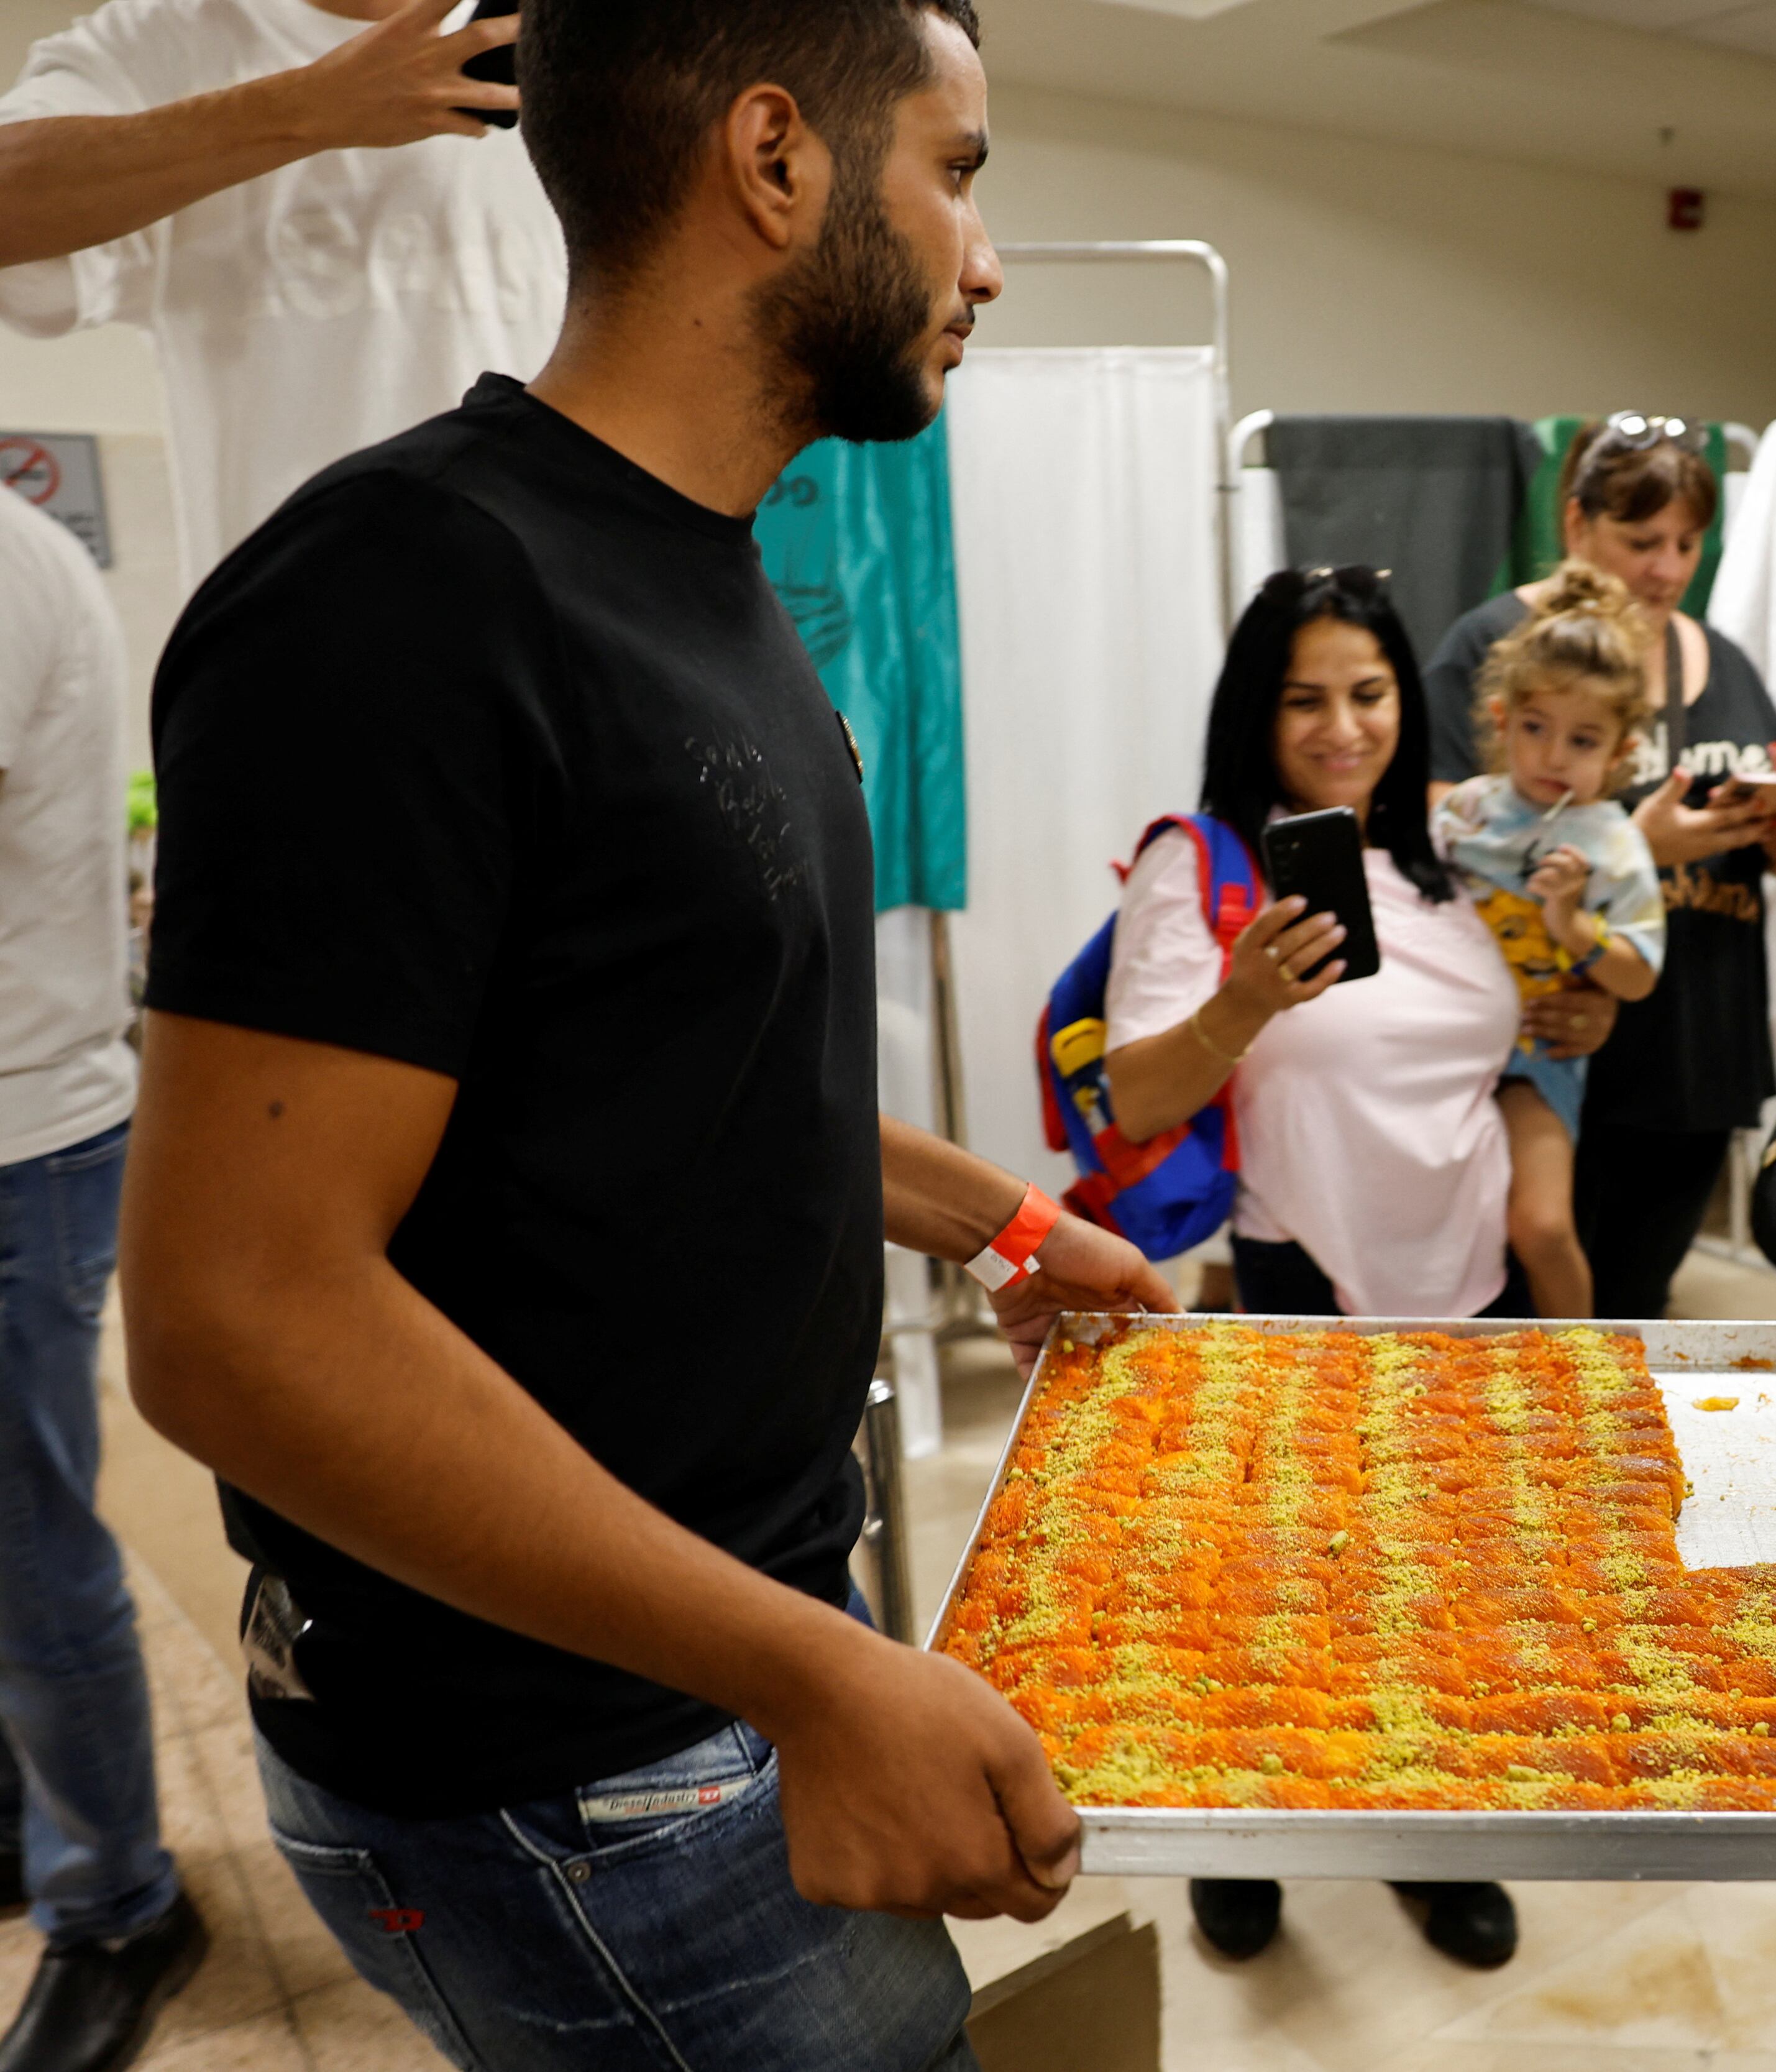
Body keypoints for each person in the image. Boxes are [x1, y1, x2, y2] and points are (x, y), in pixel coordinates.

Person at [116, 6, 1183, 2068]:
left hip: (708, 1673)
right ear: (774, 160)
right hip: (575, 1773)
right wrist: (810, 1676)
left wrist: (997, 1220)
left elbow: (676, 1059)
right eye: (957, 174)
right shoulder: (401, 597)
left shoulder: (705, 580)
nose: (985, 258)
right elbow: (233, 1316)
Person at [1097, 564, 1529, 1969]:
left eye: (1368, 692)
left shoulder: (1443, 849)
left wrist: (1555, 1026)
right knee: (1286, 1577)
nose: (1342, 726)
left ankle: (1423, 1828)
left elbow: (1470, 1042)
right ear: (1254, 711)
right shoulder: (1203, 861)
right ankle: (1247, 1830)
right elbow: (1137, 1096)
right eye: (1305, 700)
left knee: (1435, 1581)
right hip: (1303, 1273)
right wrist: (1243, 996)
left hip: (1465, 1274)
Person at [1424, 416, 1776, 1320]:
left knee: (1639, 1305)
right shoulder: (1489, 646)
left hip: (1692, 1045)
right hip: (1549, 1040)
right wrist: (1641, 845)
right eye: (1642, 541)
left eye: (1687, 544)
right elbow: (1437, 846)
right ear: (1576, 526)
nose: (1667, 568)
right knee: (1516, 1307)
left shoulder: (1722, 656)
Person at [0, 0, 566, 587]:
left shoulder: (580, 46)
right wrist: (306, 107)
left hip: (577, 614)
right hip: (302, 619)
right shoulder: (162, 40)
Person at [0, 485, 202, 2071]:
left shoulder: (7, 565)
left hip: (21, 1140)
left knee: (30, 1551)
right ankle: (25, 1825)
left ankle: (118, 1902)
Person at [1432, 562, 1668, 1319]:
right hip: (1434, 1045)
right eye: (1534, 728)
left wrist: (1572, 925)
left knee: (1539, 1224)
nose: (1553, 755)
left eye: (1582, 738)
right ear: (1500, 720)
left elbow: (1638, 979)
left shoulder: (1613, 841)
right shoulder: (1463, 811)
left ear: (1620, 753)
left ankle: (1586, 1366)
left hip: (1535, 1056)